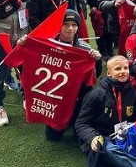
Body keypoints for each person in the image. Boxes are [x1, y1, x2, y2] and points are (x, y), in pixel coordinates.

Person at [17, 9, 101, 141]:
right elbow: (25, 68)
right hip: (54, 99)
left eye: (74, 25)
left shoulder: (85, 49)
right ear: (59, 25)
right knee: (52, 137)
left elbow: (94, 77)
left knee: (78, 138)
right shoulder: (45, 44)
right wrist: (22, 47)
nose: (70, 28)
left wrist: (97, 60)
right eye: (66, 24)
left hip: (77, 97)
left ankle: (79, 118)